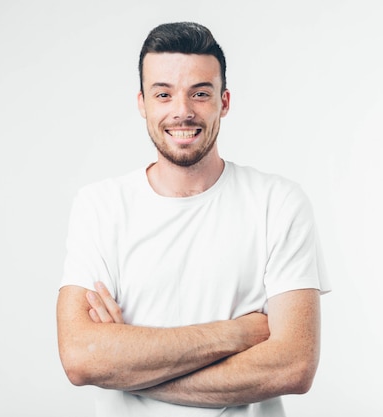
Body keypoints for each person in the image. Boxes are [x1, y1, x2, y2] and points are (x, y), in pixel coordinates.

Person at [56, 21, 331, 417]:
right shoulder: (100, 206)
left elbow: (294, 365)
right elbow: (82, 357)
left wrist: (128, 367)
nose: (181, 112)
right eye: (163, 94)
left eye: (199, 94)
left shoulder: (278, 203)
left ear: (224, 101)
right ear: (142, 104)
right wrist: (237, 334)